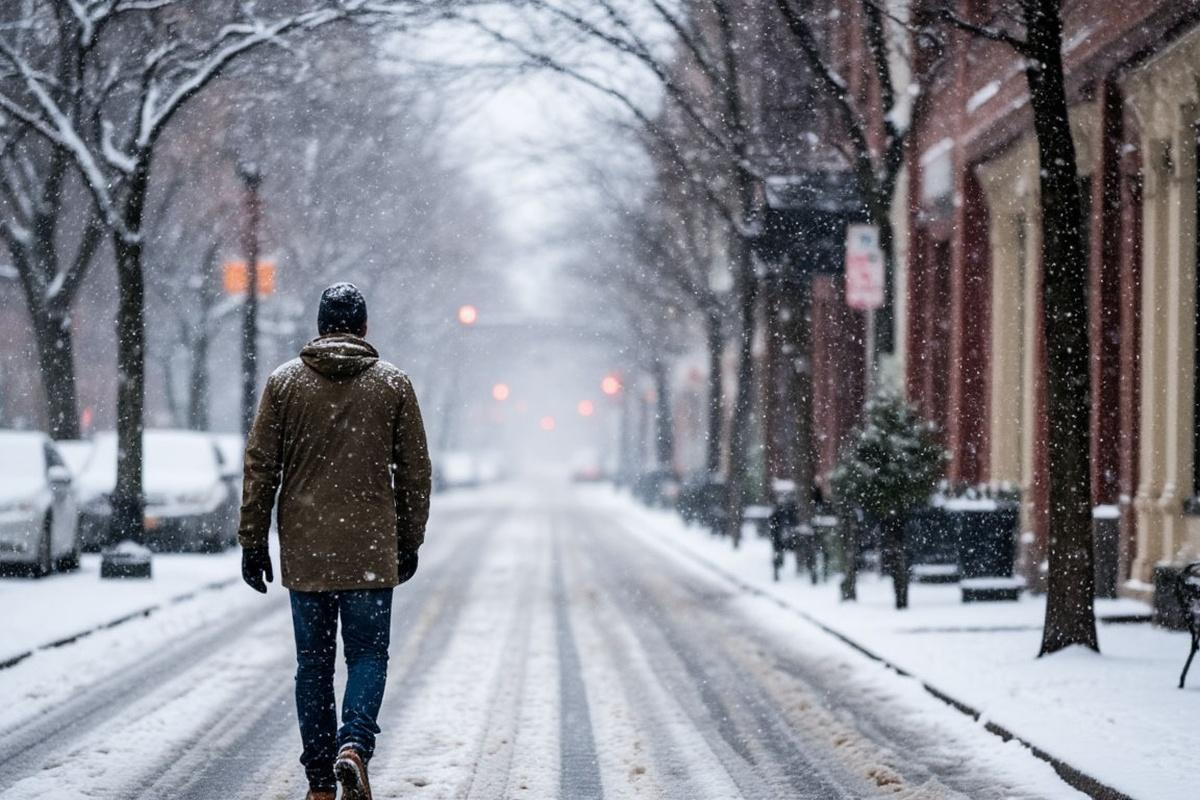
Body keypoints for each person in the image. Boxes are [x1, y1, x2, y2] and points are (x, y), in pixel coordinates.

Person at [238, 282, 432, 800]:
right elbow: (415, 472)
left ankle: (321, 782)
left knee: (314, 665)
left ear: (321, 326)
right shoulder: (393, 385)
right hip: (370, 549)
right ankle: (354, 746)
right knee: (368, 656)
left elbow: (261, 467)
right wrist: (408, 539)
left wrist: (253, 539)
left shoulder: (284, 385)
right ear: (364, 328)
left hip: (307, 552)